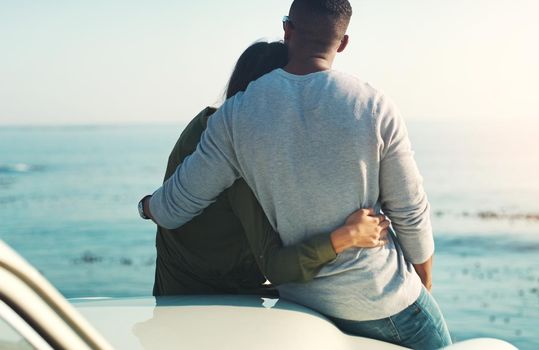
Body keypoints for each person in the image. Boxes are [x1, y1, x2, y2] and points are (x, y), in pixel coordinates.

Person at [140, 0, 453, 348]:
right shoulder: (374, 105)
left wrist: (146, 206)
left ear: (288, 30)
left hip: (299, 303)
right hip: (381, 300)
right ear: (344, 43)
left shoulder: (233, 115)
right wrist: (423, 283)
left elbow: (172, 211)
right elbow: (410, 212)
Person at [147, 41, 391, 297]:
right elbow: (276, 266)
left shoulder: (205, 124)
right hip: (211, 311)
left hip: (174, 295)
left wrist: (146, 206)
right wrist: (347, 236)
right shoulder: (237, 157)